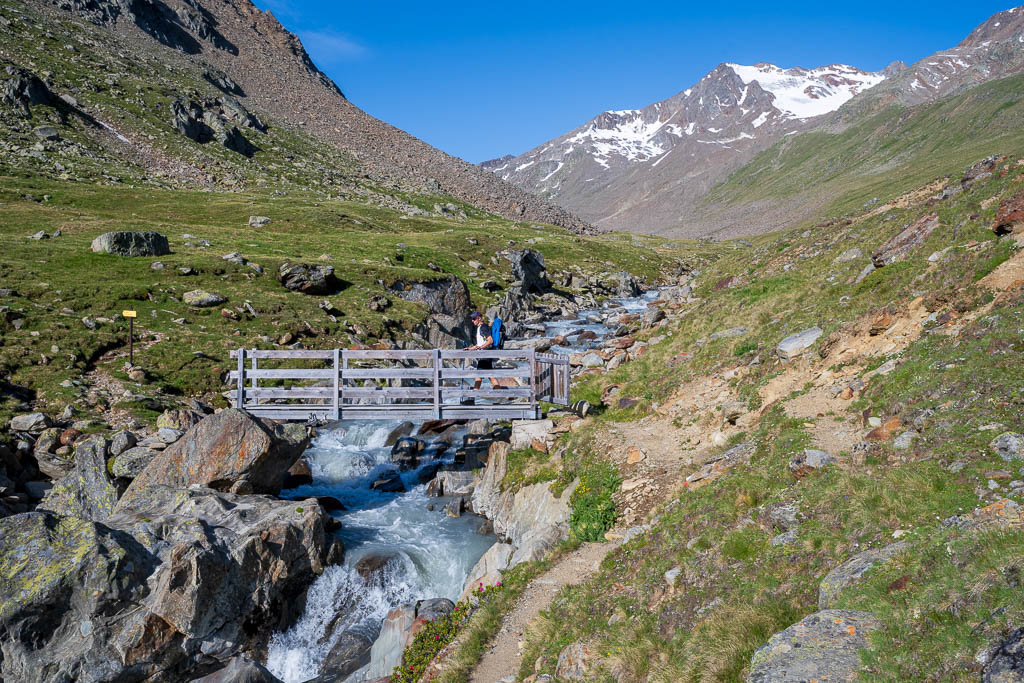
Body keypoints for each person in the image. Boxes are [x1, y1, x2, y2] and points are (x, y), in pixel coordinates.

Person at [466, 311, 499, 390]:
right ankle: (502, 394)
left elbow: (490, 340)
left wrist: (481, 347)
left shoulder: (483, 327)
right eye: (472, 319)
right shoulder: (480, 328)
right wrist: (470, 348)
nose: (472, 321)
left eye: (474, 319)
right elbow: (480, 344)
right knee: (490, 376)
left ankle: (474, 395)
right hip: (485, 355)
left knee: (479, 376)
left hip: (484, 356)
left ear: (479, 318)